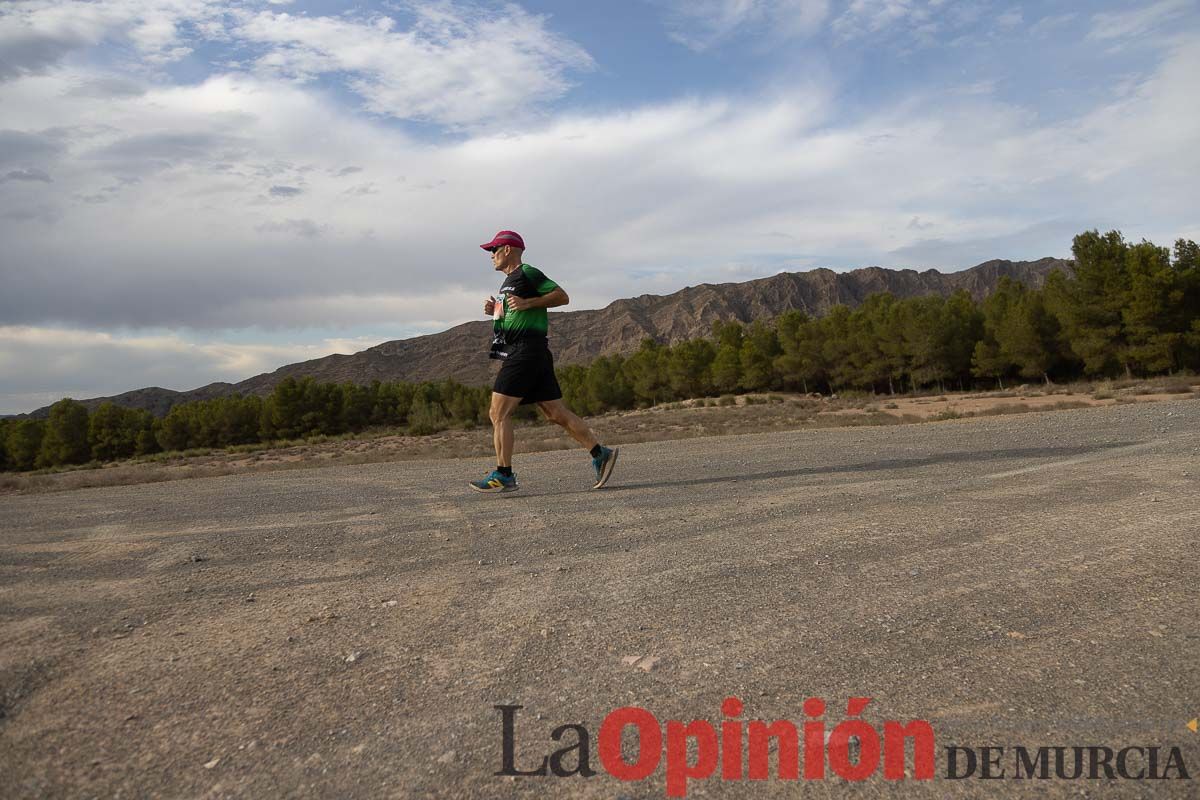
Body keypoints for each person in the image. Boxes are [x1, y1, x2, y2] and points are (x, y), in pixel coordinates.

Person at [469, 230, 618, 493]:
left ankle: (504, 474)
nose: (491, 255)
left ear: (508, 249)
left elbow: (562, 296)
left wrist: (529, 302)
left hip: (526, 353)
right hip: (532, 352)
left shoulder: (528, 273)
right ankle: (599, 453)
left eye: (494, 249)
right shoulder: (508, 283)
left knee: (498, 412)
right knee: (555, 413)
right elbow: (512, 317)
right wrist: (496, 311)